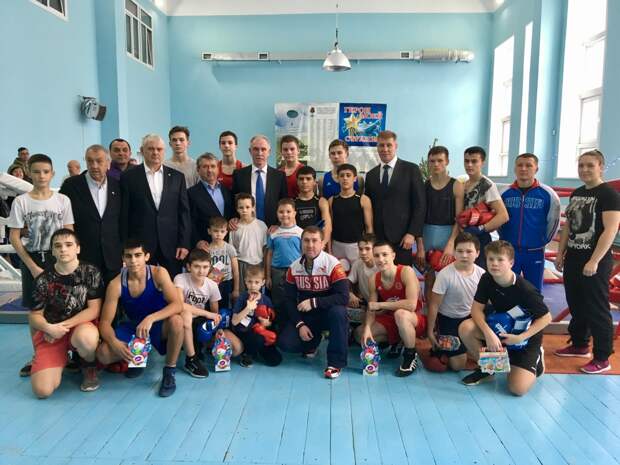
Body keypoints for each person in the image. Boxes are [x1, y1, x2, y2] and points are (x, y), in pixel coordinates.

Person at [8, 153, 74, 377]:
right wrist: (32, 266)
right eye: (36, 172)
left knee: (63, 305)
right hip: (33, 258)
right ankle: (38, 354)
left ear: (52, 173)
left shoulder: (62, 200)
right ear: (29, 173)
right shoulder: (21, 201)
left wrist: (67, 260)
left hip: (59, 258)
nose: (41, 176)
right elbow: (14, 237)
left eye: (46, 172)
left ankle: (67, 353)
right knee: (36, 308)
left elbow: (69, 232)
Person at [554, 150, 620, 374]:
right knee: (576, 303)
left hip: (595, 259)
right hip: (573, 256)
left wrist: (594, 260)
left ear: (601, 167)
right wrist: (560, 253)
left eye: (590, 165)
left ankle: (602, 357)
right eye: (581, 165)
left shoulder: (609, 195)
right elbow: (568, 226)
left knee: (596, 307)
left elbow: (610, 230)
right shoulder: (577, 193)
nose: (584, 169)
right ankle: (580, 344)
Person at [459, 240, 551, 395]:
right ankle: (490, 369)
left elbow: (546, 318)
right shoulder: (487, 279)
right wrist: (488, 334)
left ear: (511, 263)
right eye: (491, 259)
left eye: (500, 259)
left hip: (525, 336)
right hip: (500, 327)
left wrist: (521, 337)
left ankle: (537, 357)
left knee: (517, 389)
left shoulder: (525, 289)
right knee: (466, 328)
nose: (494, 264)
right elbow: (476, 310)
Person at [96, 239, 184, 397]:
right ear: (123, 258)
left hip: (157, 323)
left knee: (177, 321)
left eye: (138, 255)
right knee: (103, 354)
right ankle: (138, 358)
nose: (133, 260)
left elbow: (177, 305)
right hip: (134, 327)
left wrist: (151, 318)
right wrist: (114, 343)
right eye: (128, 256)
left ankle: (169, 371)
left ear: (147, 256)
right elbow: (104, 323)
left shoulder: (158, 273)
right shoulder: (116, 284)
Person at [28, 229, 103, 397]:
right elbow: (34, 316)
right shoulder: (43, 279)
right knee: (42, 391)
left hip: (79, 327)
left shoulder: (90, 272)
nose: (63, 249)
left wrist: (61, 327)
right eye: (58, 246)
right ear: (53, 251)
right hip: (52, 333)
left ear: (78, 248)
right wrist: (48, 328)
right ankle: (61, 359)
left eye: (68, 245)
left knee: (87, 338)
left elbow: (94, 309)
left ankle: (89, 366)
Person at [278, 226, 349, 379]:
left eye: (315, 241)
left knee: (339, 312)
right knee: (286, 344)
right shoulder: (294, 267)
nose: (310, 245)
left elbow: (344, 297)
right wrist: (300, 325)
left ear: (322, 243)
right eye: (306, 241)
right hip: (308, 316)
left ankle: (336, 363)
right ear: (301, 243)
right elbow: (289, 300)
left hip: (329, 313)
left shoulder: (333, 264)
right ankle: (313, 342)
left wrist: (314, 302)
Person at [120, 134, 191, 277]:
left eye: (159, 149)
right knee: (142, 284)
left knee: (171, 283)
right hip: (141, 246)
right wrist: (125, 246)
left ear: (164, 151)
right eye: (151, 149)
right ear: (142, 150)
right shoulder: (129, 177)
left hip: (171, 244)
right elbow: (124, 214)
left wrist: (184, 243)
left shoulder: (177, 177)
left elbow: (184, 212)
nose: (155, 152)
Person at [358, 242, 424, 377]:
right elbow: (371, 307)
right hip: (392, 318)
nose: (381, 259)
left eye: (384, 255)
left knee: (401, 314)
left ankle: (410, 355)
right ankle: (398, 341)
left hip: (414, 318)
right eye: (377, 255)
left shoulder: (406, 271)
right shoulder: (373, 279)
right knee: (361, 334)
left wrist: (381, 305)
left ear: (393, 256)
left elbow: (411, 305)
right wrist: (367, 328)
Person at [60, 145, 122, 284]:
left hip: (112, 257)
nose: (94, 166)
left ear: (108, 162)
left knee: (113, 296)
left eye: (99, 161)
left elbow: (122, 220)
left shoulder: (117, 185)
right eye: (90, 161)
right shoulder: (71, 185)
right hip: (83, 256)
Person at [499, 153, 560, 291]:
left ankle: (532, 308)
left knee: (534, 290)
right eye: (520, 165)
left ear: (536, 169)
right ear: (514, 168)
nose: (523, 168)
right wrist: (505, 239)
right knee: (506, 288)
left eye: (528, 165)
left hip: (534, 251)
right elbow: (499, 220)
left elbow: (553, 221)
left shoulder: (548, 194)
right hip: (509, 250)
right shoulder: (504, 193)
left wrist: (542, 242)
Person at [364, 130, 426, 265]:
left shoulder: (411, 170)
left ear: (395, 146)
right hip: (378, 239)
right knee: (380, 275)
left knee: (402, 275)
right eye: (381, 145)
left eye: (389, 145)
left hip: (403, 239)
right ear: (377, 147)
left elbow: (420, 204)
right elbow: (368, 207)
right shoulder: (371, 175)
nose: (385, 149)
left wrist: (412, 233)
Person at [174, 248, 238, 378]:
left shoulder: (212, 285)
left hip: (199, 319)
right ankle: (191, 359)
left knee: (237, 349)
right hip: (180, 318)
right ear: (189, 267)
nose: (201, 271)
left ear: (209, 268)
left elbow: (215, 313)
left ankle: (202, 348)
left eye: (205, 267)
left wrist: (218, 329)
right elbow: (179, 305)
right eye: (196, 266)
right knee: (185, 316)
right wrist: (207, 314)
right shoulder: (180, 278)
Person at [426, 232, 485, 371]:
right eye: (460, 251)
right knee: (457, 365)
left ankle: (491, 368)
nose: (464, 255)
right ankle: (459, 348)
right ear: (454, 252)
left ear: (477, 253)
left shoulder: (482, 274)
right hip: (448, 320)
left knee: (495, 329)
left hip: (470, 318)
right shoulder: (445, 275)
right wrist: (430, 332)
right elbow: (434, 305)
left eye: (469, 251)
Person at [415, 146, 464, 302]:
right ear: (428, 163)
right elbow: (418, 217)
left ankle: (446, 312)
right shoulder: (424, 186)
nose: (436, 164)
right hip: (427, 234)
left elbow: (459, 219)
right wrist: (420, 246)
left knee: (449, 278)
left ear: (447, 161)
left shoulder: (456, 185)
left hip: (448, 234)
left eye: (440, 160)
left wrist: (451, 243)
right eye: (432, 161)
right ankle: (430, 312)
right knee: (429, 278)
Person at [461, 146, 509, 268]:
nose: (469, 165)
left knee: (479, 274)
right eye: (467, 161)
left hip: (479, 239)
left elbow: (503, 215)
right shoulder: (463, 184)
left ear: (482, 162)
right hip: (463, 237)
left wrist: (481, 228)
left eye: (474, 161)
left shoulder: (487, 185)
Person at [232, 265, 283, 367]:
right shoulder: (242, 298)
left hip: (260, 332)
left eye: (256, 282)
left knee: (275, 360)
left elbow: (270, 321)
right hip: (245, 333)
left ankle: (258, 350)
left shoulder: (266, 300)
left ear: (263, 283)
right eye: (250, 282)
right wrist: (248, 308)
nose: (253, 285)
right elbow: (234, 321)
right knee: (257, 339)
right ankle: (247, 354)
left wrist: (266, 323)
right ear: (245, 281)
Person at [232, 135, 288, 227]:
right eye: (256, 149)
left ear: (269, 152)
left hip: (273, 227)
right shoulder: (239, 175)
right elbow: (234, 202)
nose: (259, 153)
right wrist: (234, 218)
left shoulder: (279, 176)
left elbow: (284, 203)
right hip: (246, 227)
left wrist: (279, 224)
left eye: (263, 149)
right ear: (250, 151)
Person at [265, 198, 303, 323]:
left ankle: (296, 324)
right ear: (277, 213)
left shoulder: (300, 232)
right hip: (277, 271)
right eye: (281, 212)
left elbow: (304, 254)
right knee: (278, 301)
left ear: (294, 213)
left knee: (295, 299)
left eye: (288, 211)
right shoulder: (273, 233)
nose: (285, 214)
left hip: (296, 271)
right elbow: (269, 254)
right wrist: (268, 276)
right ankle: (279, 326)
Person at [329, 164, 373, 265]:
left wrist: (368, 248)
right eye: (342, 175)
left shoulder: (363, 199)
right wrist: (329, 249)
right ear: (337, 178)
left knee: (358, 273)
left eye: (348, 175)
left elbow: (369, 227)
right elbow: (329, 227)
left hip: (356, 246)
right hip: (337, 245)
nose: (345, 178)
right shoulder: (332, 200)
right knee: (338, 274)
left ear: (355, 178)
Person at [188, 153, 234, 248]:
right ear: (198, 170)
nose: (209, 170)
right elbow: (189, 221)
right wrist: (197, 241)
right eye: (205, 167)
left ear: (218, 169)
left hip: (229, 244)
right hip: (206, 246)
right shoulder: (190, 193)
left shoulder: (227, 191)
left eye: (213, 166)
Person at [228, 193, 267, 293]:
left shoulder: (261, 225)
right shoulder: (234, 228)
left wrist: (265, 268)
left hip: (258, 264)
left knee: (257, 295)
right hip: (241, 265)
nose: (244, 210)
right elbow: (232, 251)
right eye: (241, 207)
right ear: (237, 209)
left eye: (247, 207)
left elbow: (265, 249)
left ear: (253, 208)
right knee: (242, 294)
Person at [207, 216, 240, 309]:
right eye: (215, 231)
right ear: (209, 231)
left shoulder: (229, 248)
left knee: (226, 307)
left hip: (227, 282)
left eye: (222, 231)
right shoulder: (207, 250)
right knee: (213, 306)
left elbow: (235, 271)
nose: (218, 234)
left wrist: (236, 289)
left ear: (226, 232)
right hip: (212, 282)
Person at [294, 166, 332, 245]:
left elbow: (327, 226)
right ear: (297, 181)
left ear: (315, 182)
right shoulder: (292, 202)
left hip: (316, 244)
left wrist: (323, 243)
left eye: (308, 179)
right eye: (301, 179)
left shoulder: (321, 201)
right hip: (297, 243)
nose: (304, 182)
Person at [347, 233, 378, 325]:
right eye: (360, 249)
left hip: (381, 306)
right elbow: (347, 282)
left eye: (367, 249)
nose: (363, 252)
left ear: (374, 249)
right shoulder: (358, 263)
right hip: (365, 304)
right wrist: (350, 294)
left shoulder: (381, 266)